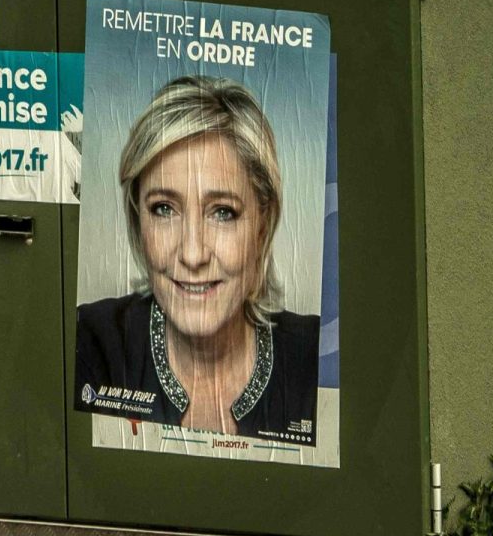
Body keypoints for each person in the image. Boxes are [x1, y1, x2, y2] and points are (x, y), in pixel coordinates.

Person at [75, 75, 318, 445]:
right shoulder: (91, 343)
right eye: (163, 209)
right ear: (138, 218)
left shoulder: (316, 358)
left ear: (262, 223)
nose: (192, 254)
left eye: (222, 212)